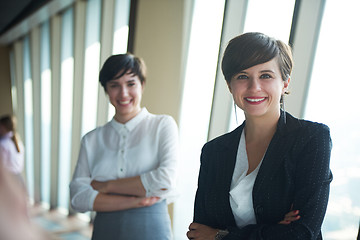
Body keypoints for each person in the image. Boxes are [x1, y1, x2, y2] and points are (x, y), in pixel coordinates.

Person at [187, 32, 332, 239]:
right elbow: (199, 232)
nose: (254, 87)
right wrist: (275, 231)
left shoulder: (311, 139)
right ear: (230, 85)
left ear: (285, 83)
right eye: (242, 76)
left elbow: (302, 233)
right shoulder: (213, 151)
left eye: (266, 75)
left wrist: (222, 235)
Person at [69, 53, 179, 240]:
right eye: (114, 85)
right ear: (106, 90)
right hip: (105, 229)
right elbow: (77, 198)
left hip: (151, 226)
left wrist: (105, 186)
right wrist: (137, 200)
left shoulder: (162, 125)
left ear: (142, 85)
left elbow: (165, 180)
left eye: (130, 84)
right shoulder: (91, 139)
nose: (123, 93)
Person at [0, 114, 25, 184]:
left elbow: (2, 167)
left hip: (9, 181)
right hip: (19, 179)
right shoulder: (18, 142)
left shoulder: (3, 144)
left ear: (3, 127)